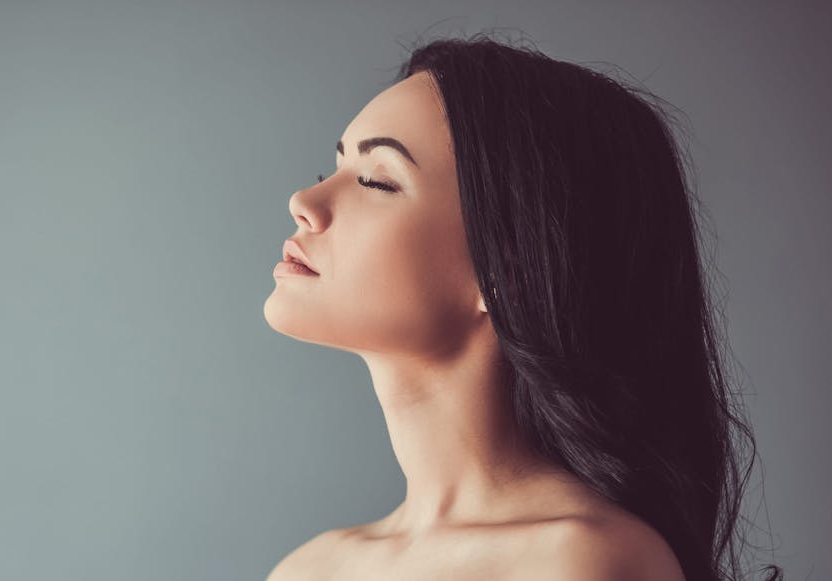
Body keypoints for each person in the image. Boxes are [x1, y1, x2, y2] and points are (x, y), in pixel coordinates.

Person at [263, 32, 783, 581]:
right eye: (332, 170)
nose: (304, 201)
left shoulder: (581, 560)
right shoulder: (308, 569)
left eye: (376, 181)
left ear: (506, 271)